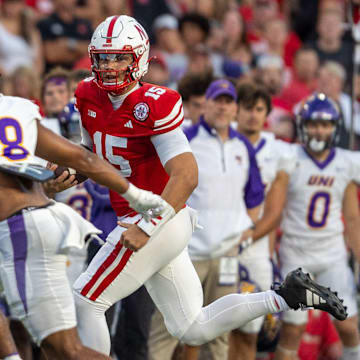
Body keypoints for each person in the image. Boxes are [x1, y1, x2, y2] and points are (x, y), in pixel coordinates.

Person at [71, 15, 347, 358]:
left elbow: (186, 176)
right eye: (103, 57)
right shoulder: (86, 94)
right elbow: (89, 151)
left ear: (139, 58)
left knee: (87, 298)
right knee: (192, 327)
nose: (110, 66)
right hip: (158, 224)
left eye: (120, 57)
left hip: (158, 218)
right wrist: (69, 170)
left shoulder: (156, 103)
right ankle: (285, 296)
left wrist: (147, 227)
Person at [0, 92, 171, 359]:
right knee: (56, 348)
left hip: (19, 228)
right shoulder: (15, 108)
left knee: (67, 349)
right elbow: (83, 159)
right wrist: (137, 196)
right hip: (48, 219)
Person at [148, 78, 264, 360]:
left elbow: (255, 195)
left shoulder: (243, 147)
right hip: (186, 249)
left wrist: (241, 231)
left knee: (220, 330)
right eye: (217, 101)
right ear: (205, 105)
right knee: (168, 325)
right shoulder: (185, 138)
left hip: (225, 252)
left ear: (235, 108)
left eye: (228, 102)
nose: (223, 108)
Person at [247, 93, 360, 360]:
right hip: (296, 254)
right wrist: (270, 256)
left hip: (332, 254)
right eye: (313, 124)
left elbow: (352, 217)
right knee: (293, 329)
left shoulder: (345, 162)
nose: (319, 130)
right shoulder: (289, 157)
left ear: (335, 127)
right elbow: (274, 211)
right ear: (302, 125)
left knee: (348, 326)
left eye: (325, 124)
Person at [228, 83, 286, 360]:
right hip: (219, 244)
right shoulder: (220, 141)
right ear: (236, 110)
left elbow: (274, 212)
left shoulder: (278, 151)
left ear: (267, 114)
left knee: (251, 331)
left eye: (259, 109)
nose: (253, 115)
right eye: (247, 108)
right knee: (215, 328)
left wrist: (248, 237)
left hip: (257, 248)